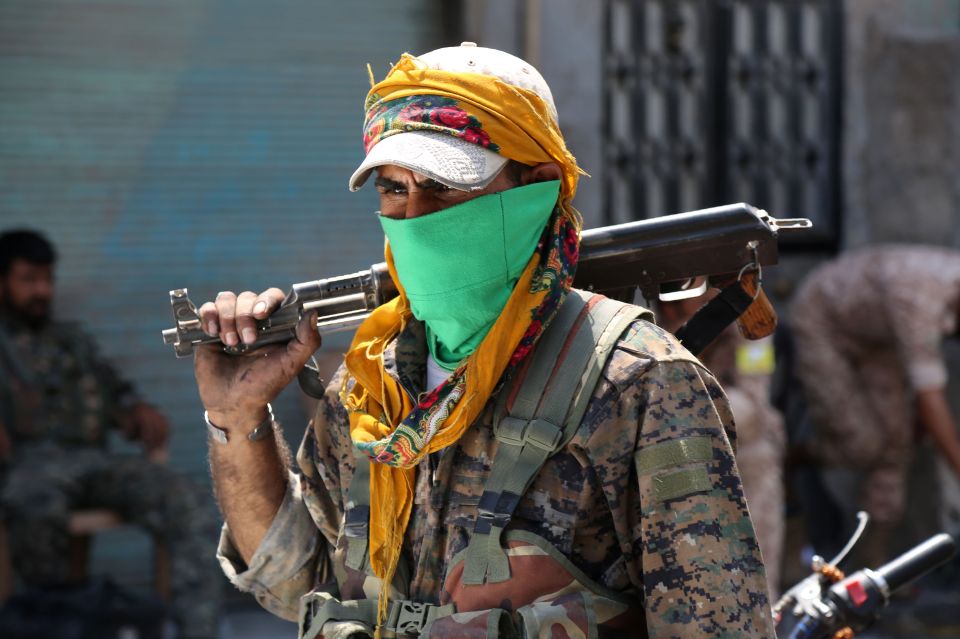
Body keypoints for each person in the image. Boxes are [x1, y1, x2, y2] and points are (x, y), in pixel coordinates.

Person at [199, 44, 773, 638]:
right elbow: (299, 585)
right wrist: (236, 418)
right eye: (394, 189)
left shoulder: (640, 382)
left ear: (540, 186)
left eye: (446, 187)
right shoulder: (371, 389)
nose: (416, 217)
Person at [0, 230, 222, 639]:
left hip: (95, 465)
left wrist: (136, 411)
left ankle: (199, 630)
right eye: (29, 279)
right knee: (34, 505)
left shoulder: (71, 340)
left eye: (47, 279)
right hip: (29, 470)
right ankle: (48, 624)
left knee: (186, 501)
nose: (42, 290)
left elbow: (113, 393)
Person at [790, 245, 960, 566]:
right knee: (863, 445)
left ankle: (873, 565)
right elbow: (929, 396)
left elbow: (927, 399)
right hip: (824, 321)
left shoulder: (948, 289)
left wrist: (922, 422)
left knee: (898, 443)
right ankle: (793, 456)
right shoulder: (920, 295)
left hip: (879, 340)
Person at [659, 292, 786, 599]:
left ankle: (763, 604)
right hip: (668, 447)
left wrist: (687, 414)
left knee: (758, 458)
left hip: (736, 439)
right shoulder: (646, 313)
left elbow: (752, 402)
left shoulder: (749, 314)